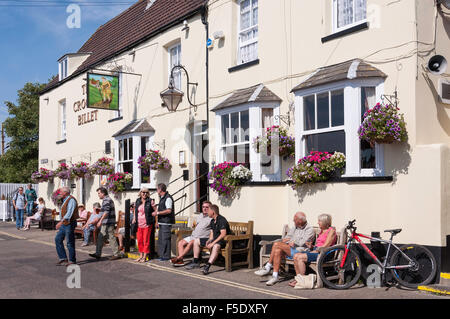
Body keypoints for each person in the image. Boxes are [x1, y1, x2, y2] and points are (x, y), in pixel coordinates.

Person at [254, 211, 315, 286]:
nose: (293, 221)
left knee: (276, 244)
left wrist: (292, 241)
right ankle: (275, 276)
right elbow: (286, 238)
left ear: (300, 221)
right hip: (290, 249)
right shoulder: (295, 227)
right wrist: (291, 241)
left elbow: (302, 243)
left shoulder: (309, 229)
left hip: (300, 251)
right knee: (278, 250)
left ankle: (268, 266)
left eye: (294, 220)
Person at [290, 213, 336, 287]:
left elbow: (326, 245)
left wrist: (316, 250)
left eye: (319, 221)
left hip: (324, 253)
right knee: (295, 256)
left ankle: (303, 281)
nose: (318, 223)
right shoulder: (322, 231)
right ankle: (299, 279)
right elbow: (319, 244)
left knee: (300, 257)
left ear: (325, 222)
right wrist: (311, 246)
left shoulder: (331, 231)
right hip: (317, 251)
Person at [186, 204, 230, 275]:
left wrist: (212, 243)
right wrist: (209, 240)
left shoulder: (222, 220)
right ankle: (196, 262)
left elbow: (223, 234)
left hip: (224, 241)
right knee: (197, 241)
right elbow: (212, 233)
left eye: (208, 210)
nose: (207, 212)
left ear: (213, 212)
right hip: (215, 240)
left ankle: (207, 266)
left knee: (216, 246)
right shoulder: (212, 221)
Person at [171, 200, 212, 266]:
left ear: (210, 208)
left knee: (190, 243)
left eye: (207, 207)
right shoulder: (200, 215)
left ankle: (178, 258)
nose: (204, 209)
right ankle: (181, 261)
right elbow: (196, 225)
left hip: (200, 238)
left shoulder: (211, 218)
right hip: (193, 236)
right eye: (203, 207)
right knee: (180, 242)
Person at [89, 187, 121, 260]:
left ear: (103, 193)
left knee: (111, 237)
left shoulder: (107, 200)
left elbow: (106, 212)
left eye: (99, 193)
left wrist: (100, 221)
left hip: (108, 222)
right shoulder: (105, 200)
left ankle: (116, 254)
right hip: (106, 222)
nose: (98, 195)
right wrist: (96, 219)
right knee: (101, 237)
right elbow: (102, 212)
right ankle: (98, 253)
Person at [54, 187, 79, 266]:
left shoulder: (71, 200)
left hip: (69, 223)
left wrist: (60, 223)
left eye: (61, 192)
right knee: (58, 239)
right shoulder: (64, 200)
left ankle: (72, 260)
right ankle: (63, 258)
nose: (59, 193)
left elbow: (69, 213)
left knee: (70, 242)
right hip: (64, 223)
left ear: (65, 192)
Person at [152, 183, 175, 261]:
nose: (156, 190)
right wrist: (155, 208)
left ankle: (166, 256)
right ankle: (162, 256)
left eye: (157, 189)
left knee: (166, 240)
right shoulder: (162, 197)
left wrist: (157, 213)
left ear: (160, 189)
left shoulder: (168, 198)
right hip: (162, 222)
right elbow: (161, 209)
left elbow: (169, 210)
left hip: (166, 222)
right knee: (161, 240)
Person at [134, 188, 156, 262]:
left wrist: (155, 220)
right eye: (143, 192)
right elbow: (135, 210)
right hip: (139, 224)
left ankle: (144, 257)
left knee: (146, 241)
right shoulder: (137, 201)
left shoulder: (150, 201)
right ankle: (140, 256)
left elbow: (156, 210)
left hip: (147, 224)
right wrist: (134, 218)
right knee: (139, 240)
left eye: (146, 192)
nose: (145, 194)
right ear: (140, 193)